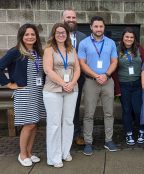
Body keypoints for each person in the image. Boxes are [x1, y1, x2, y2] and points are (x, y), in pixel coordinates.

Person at [0, 24, 45, 167]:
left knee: (34, 124)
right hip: (24, 92)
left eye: (33, 34)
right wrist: (8, 84)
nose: (30, 37)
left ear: (36, 36)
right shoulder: (15, 52)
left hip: (38, 91)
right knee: (29, 124)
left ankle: (30, 153)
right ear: (21, 36)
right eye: (27, 34)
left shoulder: (38, 52)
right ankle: (22, 154)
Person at [78, 16, 118, 155]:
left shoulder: (111, 43)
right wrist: (96, 76)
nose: (99, 29)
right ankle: (88, 142)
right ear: (91, 27)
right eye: (96, 26)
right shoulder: (84, 43)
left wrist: (106, 75)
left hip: (107, 81)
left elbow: (114, 61)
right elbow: (82, 63)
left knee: (109, 113)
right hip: (90, 81)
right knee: (89, 113)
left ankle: (109, 140)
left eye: (101, 26)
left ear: (104, 27)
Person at [43, 23, 80, 168]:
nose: (61, 34)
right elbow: (48, 70)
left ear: (67, 34)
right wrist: (63, 84)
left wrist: (72, 82)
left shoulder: (72, 49)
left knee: (68, 122)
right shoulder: (49, 50)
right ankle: (53, 157)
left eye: (63, 32)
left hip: (71, 89)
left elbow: (77, 69)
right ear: (53, 34)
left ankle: (65, 152)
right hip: (53, 90)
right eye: (58, 32)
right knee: (54, 124)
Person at [113, 27, 144, 145]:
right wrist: (117, 89)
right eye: (127, 37)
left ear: (134, 39)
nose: (129, 39)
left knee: (138, 110)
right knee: (127, 110)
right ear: (123, 38)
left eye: (131, 37)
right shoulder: (117, 50)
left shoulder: (139, 49)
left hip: (138, 85)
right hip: (124, 85)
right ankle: (129, 133)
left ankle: (141, 130)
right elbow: (114, 71)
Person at [62, 8, 87, 146]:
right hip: (61, 78)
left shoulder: (83, 37)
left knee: (75, 106)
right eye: (68, 17)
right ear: (63, 19)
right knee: (62, 107)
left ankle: (76, 133)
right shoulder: (57, 35)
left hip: (79, 77)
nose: (71, 20)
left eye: (73, 17)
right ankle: (63, 135)